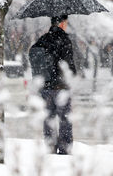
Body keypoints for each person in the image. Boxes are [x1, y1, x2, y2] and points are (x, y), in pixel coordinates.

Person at [30, 14, 77, 155]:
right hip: (61, 87)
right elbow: (68, 64)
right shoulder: (64, 40)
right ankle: (64, 149)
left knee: (48, 118)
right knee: (65, 119)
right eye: (66, 22)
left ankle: (50, 146)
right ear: (62, 23)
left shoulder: (42, 39)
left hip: (45, 87)